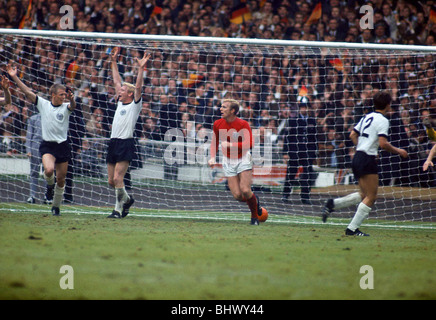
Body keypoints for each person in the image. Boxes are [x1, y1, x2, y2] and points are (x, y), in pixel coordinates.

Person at [322, 92, 408, 236]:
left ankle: (333, 204)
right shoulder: (383, 120)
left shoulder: (366, 116)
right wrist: (399, 151)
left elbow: (352, 135)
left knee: (364, 194)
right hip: (367, 158)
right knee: (372, 196)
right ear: (388, 105)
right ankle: (352, 229)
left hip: (358, 156)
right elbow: (383, 143)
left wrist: (361, 146)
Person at [7, 64, 76, 216]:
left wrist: (71, 99)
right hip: (48, 145)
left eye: (65, 95)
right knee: (49, 170)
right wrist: (14, 76)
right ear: (53, 95)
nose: (64, 97)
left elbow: (73, 105)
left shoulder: (66, 107)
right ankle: (49, 187)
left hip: (63, 145)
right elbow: (26, 91)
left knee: (61, 180)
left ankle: (56, 206)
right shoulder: (43, 104)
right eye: (61, 95)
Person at [106, 47, 150, 219]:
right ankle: (128, 199)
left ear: (130, 94)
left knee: (118, 178)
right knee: (111, 181)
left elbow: (138, 87)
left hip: (126, 143)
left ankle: (117, 210)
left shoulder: (134, 105)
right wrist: (113, 62)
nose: (119, 91)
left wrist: (141, 68)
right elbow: (116, 81)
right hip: (113, 142)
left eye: (123, 90)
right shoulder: (119, 103)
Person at [208, 99, 267, 225]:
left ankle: (254, 217)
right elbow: (214, 142)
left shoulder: (243, 124)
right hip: (228, 161)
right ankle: (254, 200)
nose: (221, 109)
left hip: (243, 158)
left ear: (232, 110)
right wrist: (212, 157)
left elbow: (250, 144)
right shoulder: (217, 124)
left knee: (245, 190)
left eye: (224, 107)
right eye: (221, 107)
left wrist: (231, 145)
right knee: (237, 196)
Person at [282, 100, 318, 205]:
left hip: (307, 152)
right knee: (291, 173)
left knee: (307, 174)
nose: (304, 109)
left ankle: (305, 196)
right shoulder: (293, 120)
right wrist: (285, 151)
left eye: (306, 107)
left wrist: (314, 152)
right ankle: (286, 194)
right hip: (295, 151)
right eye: (302, 107)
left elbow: (314, 138)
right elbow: (287, 137)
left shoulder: (312, 121)